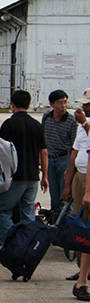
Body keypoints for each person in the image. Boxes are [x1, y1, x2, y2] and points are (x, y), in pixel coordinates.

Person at [0, 90, 49, 245]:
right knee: (28, 213)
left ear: (12, 105)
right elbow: (44, 152)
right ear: (29, 104)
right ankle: (28, 247)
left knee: (2, 211)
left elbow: (3, 152)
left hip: (14, 177)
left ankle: (10, 246)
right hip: (32, 176)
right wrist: (44, 175)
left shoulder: (9, 124)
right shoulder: (36, 125)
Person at [62, 88, 90, 292]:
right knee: (81, 224)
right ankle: (82, 270)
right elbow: (76, 152)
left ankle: (84, 274)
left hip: (87, 178)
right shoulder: (82, 125)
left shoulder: (85, 124)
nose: (83, 107)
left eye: (86, 104)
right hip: (81, 176)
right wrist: (69, 180)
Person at [42, 90, 77, 212]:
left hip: (64, 159)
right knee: (54, 195)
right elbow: (43, 140)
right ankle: (54, 220)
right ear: (52, 104)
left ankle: (65, 222)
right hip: (49, 160)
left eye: (65, 102)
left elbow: (74, 146)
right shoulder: (46, 117)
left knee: (65, 194)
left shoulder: (71, 121)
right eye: (60, 103)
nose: (63, 106)